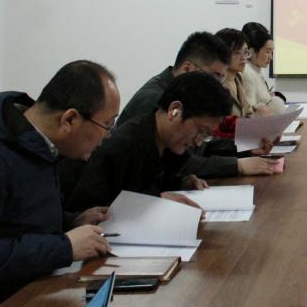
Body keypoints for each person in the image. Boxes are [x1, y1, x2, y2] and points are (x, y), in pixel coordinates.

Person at [0, 61, 117, 307]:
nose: (108, 136)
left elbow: (14, 219)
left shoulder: (36, 143)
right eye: (107, 124)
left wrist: (71, 221)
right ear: (69, 119)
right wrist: (63, 247)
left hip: (30, 292)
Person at [108, 31, 275, 180]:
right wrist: (237, 165)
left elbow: (197, 146)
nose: (217, 85)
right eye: (214, 77)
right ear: (187, 68)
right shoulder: (156, 101)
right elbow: (178, 163)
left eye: (221, 78)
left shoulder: (182, 94)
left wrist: (245, 148)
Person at [67, 71, 233, 210]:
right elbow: (86, 211)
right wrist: (154, 202)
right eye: (201, 131)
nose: (198, 142)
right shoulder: (123, 146)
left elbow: (151, 185)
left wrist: (180, 183)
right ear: (174, 110)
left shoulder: (170, 146)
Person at [241, 22, 287, 113]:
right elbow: (250, 113)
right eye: (267, 52)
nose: (271, 57)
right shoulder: (247, 73)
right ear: (251, 51)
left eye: (271, 52)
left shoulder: (257, 70)